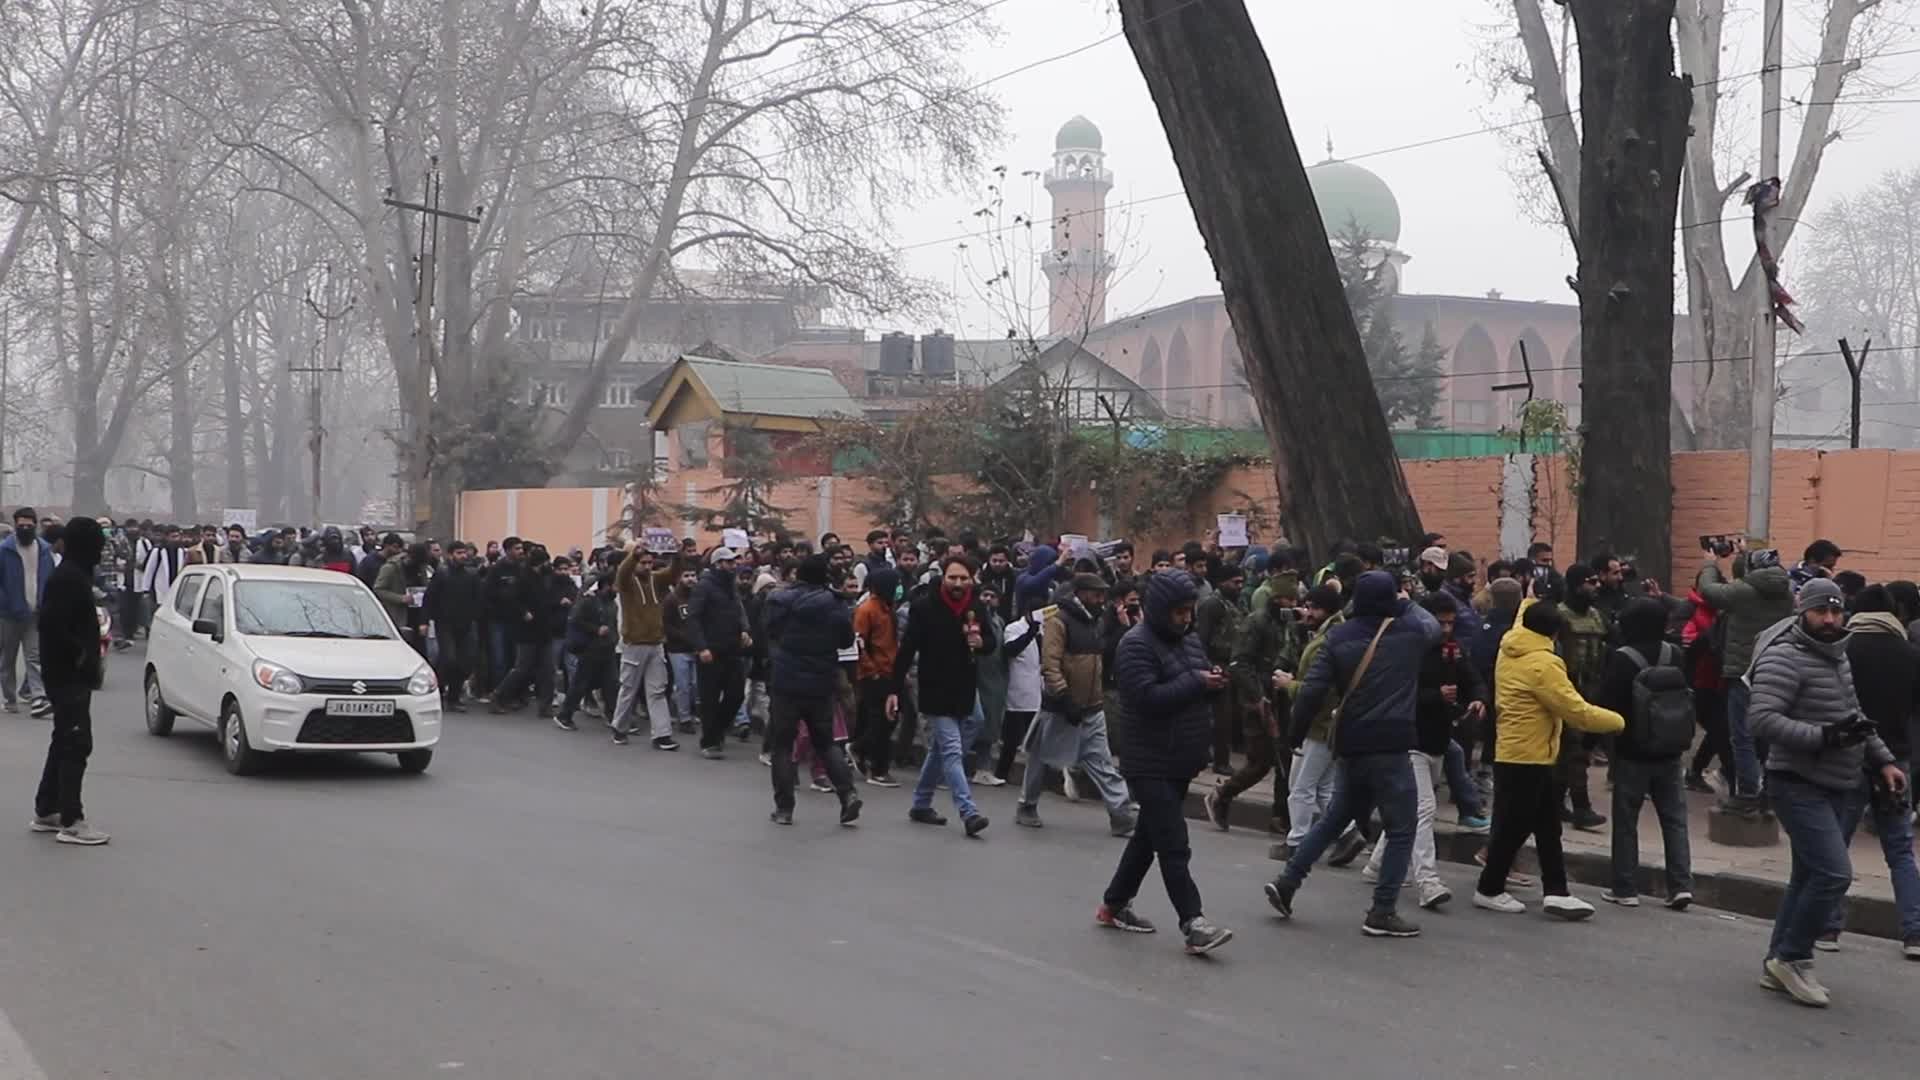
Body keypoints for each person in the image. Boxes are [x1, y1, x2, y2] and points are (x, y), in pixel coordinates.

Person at [1751, 578, 1904, 1007]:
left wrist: (1885, 760)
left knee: (1808, 876)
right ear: (1804, 611)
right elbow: (1761, 720)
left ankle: (1776, 963)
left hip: (1838, 783)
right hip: (1796, 783)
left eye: (1837, 612)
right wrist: (1824, 737)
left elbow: (1853, 717)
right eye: (1822, 611)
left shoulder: (1838, 658)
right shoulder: (1785, 657)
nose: (1831, 619)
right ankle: (1794, 957)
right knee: (1834, 874)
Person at [1264, 571, 1440, 939]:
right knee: (1402, 826)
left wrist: (1293, 735)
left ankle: (1288, 881)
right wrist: (1405, 599)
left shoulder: (1337, 637)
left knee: (1334, 817)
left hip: (1350, 741)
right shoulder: (1409, 635)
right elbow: (1433, 625)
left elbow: (1311, 693)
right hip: (1391, 742)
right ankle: (1383, 909)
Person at [1100, 570, 1234, 953]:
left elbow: (1192, 686)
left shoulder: (1190, 642)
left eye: (1188, 611)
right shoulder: (1135, 645)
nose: (1185, 618)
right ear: (1160, 609)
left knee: (1148, 837)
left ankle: (1114, 904)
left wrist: (1212, 684)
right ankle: (1194, 922)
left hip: (1180, 759)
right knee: (1173, 842)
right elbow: (1145, 698)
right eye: (1178, 612)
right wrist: (1195, 682)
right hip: (1149, 760)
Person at [1473, 600, 1625, 919]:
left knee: (1546, 825)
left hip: (1519, 751)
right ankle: (1489, 888)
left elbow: (1522, 613)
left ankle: (1557, 891)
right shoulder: (1544, 663)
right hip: (1529, 756)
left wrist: (1531, 596)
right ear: (1555, 632)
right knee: (1515, 827)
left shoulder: (1510, 649)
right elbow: (1576, 711)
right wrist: (1620, 721)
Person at [1361, 590, 1483, 910]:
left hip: (1438, 741)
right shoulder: (1407, 650)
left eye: (1450, 623)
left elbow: (1474, 678)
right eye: (1440, 623)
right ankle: (1427, 880)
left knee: (1407, 811)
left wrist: (1477, 698)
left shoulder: (1453, 650)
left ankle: (1376, 865)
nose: (1445, 629)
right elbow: (1399, 694)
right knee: (1423, 809)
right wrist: (1435, 695)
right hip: (1409, 741)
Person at [1820, 585, 1920, 956]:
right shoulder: (1911, 654)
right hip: (1897, 759)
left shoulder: (1843, 651)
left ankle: (1829, 928)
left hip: (1849, 758)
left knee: (1835, 845)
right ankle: (1914, 932)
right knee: (1900, 851)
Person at [1015, 574, 1134, 836]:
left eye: (1102, 594)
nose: (1100, 599)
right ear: (1080, 593)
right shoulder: (1058, 621)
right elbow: (1051, 664)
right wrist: (1064, 698)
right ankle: (1027, 804)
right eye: (1095, 594)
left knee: (1101, 761)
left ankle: (1120, 814)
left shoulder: (1095, 621)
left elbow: (1101, 656)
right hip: (1061, 708)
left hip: (1092, 707)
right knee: (1041, 758)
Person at [1595, 597, 1695, 909]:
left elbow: (1606, 702)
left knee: (1626, 821)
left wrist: (1592, 743)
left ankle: (1625, 888)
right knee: (1675, 819)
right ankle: (1680, 885)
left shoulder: (1623, 658)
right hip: (1670, 750)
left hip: (1631, 751)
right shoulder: (1675, 654)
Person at [889, 555, 997, 836]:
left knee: (967, 728)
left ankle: (921, 803)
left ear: (972, 579)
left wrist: (981, 642)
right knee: (951, 750)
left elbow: (992, 644)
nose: (958, 583)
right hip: (935, 687)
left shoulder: (976, 607)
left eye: (964, 578)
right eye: (953, 577)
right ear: (944, 577)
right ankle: (968, 812)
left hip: (965, 685)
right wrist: (894, 689)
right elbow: (906, 650)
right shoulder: (924, 608)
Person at [763, 555, 863, 826]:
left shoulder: (780, 600)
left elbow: (771, 631)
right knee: (826, 742)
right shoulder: (835, 605)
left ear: (799, 575)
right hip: (821, 681)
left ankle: (784, 809)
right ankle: (847, 794)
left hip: (786, 680)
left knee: (782, 745)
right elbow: (845, 639)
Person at [31, 517, 109, 845]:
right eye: (98, 543)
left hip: (70, 673)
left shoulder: (76, 575)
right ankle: (71, 819)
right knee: (77, 742)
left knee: (63, 739)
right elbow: (51, 625)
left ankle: (46, 808)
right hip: (67, 675)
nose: (102, 549)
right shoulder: (68, 578)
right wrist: (79, 655)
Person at [1698, 545, 1794, 808]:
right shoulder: (1787, 593)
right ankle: (1769, 791)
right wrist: (1745, 554)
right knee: (1768, 735)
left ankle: (1748, 792)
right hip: (1776, 669)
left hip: (1742, 672)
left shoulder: (1743, 592)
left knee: (1741, 734)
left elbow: (1709, 591)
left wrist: (1710, 563)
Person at [1210, 572, 1303, 835]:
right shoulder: (1256, 622)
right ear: (1276, 598)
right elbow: (1240, 664)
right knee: (1261, 762)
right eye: (1286, 599)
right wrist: (1257, 695)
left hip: (1281, 698)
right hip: (1257, 702)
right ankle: (1222, 794)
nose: (1290, 604)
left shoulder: (1288, 624)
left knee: (1285, 759)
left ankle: (1280, 817)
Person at [609, 540, 684, 750]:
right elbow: (622, 572)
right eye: (643, 563)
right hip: (634, 643)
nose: (648, 566)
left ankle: (662, 735)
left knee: (657, 690)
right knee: (628, 689)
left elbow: (672, 573)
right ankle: (619, 727)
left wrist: (676, 556)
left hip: (656, 642)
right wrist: (633, 555)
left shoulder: (655, 580)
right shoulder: (627, 582)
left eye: (651, 563)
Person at [1557, 564, 1610, 831]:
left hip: (1592, 689)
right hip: (1566, 689)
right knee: (1575, 752)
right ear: (1577, 585)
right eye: (1591, 582)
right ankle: (1581, 807)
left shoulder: (1597, 616)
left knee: (1575, 752)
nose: (1596, 586)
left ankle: (1555, 804)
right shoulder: (1559, 615)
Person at [685, 547, 751, 759]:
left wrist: (744, 630)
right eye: (729, 562)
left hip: (732, 649)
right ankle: (710, 741)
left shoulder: (731, 587)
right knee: (710, 698)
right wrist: (701, 646)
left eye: (734, 562)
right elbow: (693, 618)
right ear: (718, 564)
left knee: (736, 694)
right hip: (710, 651)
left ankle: (718, 729)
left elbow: (738, 611)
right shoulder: (704, 586)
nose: (733, 566)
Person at [0, 507, 54, 716]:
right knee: (8, 659)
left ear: (35, 526)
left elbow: (49, 579)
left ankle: (38, 697)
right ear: (15, 526)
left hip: (35, 613)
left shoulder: (44, 550)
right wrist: (7, 603)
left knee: (34, 657)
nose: (24, 529)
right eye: (21, 525)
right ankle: (10, 698)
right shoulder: (5, 551)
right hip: (9, 615)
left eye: (28, 526)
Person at [851, 566, 901, 785]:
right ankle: (875, 766)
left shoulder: (887, 608)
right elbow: (860, 644)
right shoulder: (867, 610)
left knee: (883, 720)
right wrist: (871, 671)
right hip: (874, 673)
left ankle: (864, 755)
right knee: (881, 720)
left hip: (889, 670)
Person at [1195, 563, 1246, 775]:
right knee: (1220, 717)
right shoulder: (1212, 605)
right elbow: (1202, 639)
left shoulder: (1234, 603)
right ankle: (1219, 761)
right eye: (1236, 582)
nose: (1240, 586)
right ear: (1223, 582)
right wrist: (1208, 666)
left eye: (1241, 582)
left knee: (1230, 715)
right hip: (1217, 665)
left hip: (1233, 664)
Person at [555, 571, 619, 733]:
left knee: (611, 684)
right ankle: (564, 715)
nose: (618, 589)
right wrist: (596, 629)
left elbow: (613, 622)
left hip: (607, 648)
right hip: (590, 649)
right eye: (616, 585)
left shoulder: (612, 603)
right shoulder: (589, 601)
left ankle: (614, 718)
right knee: (580, 684)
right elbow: (575, 620)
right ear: (607, 586)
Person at [426, 541, 483, 712]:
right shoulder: (442, 574)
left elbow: (478, 599)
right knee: (449, 659)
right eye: (459, 553)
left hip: (465, 625)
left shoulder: (472, 575)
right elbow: (430, 598)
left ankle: (454, 698)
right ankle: (437, 689)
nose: (463, 556)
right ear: (450, 555)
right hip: (445, 624)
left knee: (465, 662)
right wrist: (424, 620)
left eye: (464, 553)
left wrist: (475, 618)